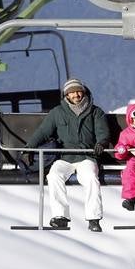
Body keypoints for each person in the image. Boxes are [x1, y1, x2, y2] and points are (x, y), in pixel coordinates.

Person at [24, 77, 110, 231]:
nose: (76, 95)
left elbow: (103, 132)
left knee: (90, 178)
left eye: (78, 91)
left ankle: (93, 218)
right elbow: (43, 132)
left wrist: (101, 143)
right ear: (66, 96)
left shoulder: (95, 112)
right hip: (65, 157)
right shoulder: (57, 113)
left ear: (83, 92)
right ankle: (60, 216)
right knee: (54, 175)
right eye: (72, 93)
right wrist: (29, 148)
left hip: (86, 156)